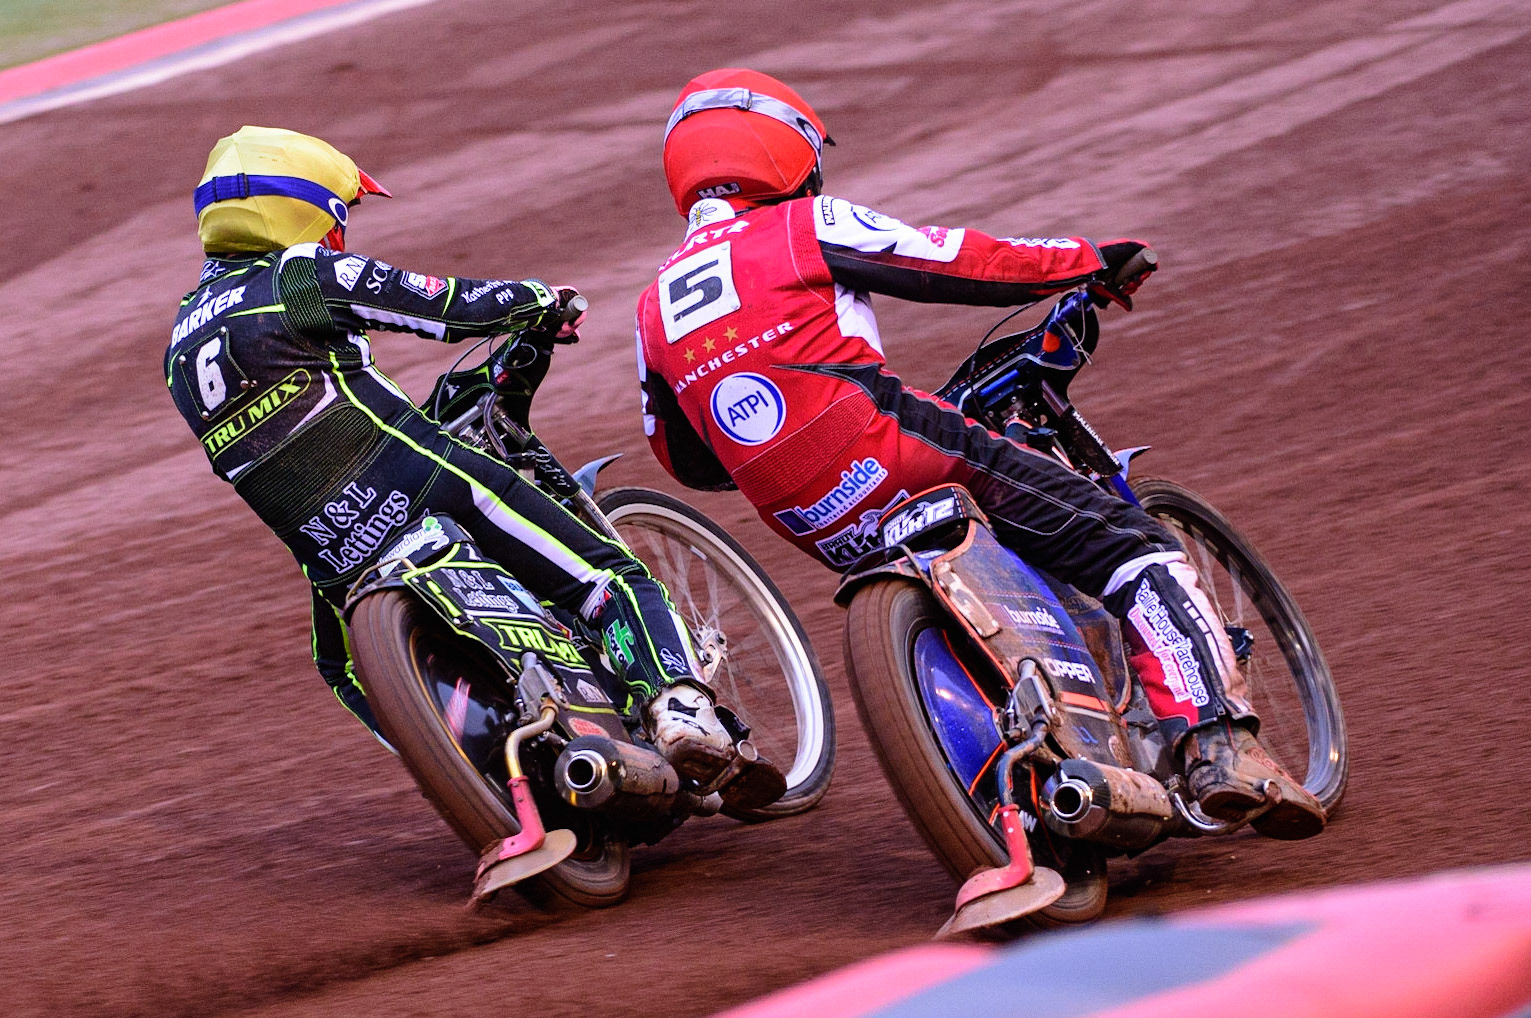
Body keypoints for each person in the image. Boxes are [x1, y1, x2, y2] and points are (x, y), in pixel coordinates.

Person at [634, 71, 1324, 838]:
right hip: (897, 448)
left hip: (810, 520)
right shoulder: (804, 224)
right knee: (1130, 546)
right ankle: (1218, 744)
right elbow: (955, 263)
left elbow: (684, 460)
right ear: (786, 150)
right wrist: (1087, 258)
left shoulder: (651, 306)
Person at [167, 125, 780, 809]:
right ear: (305, 211)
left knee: (343, 672)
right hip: (417, 481)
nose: (341, 234)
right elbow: (447, 307)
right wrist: (540, 302)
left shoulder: (179, 347)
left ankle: (484, 779)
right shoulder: (298, 276)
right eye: (341, 215)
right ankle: (680, 710)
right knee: (609, 578)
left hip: (329, 556)